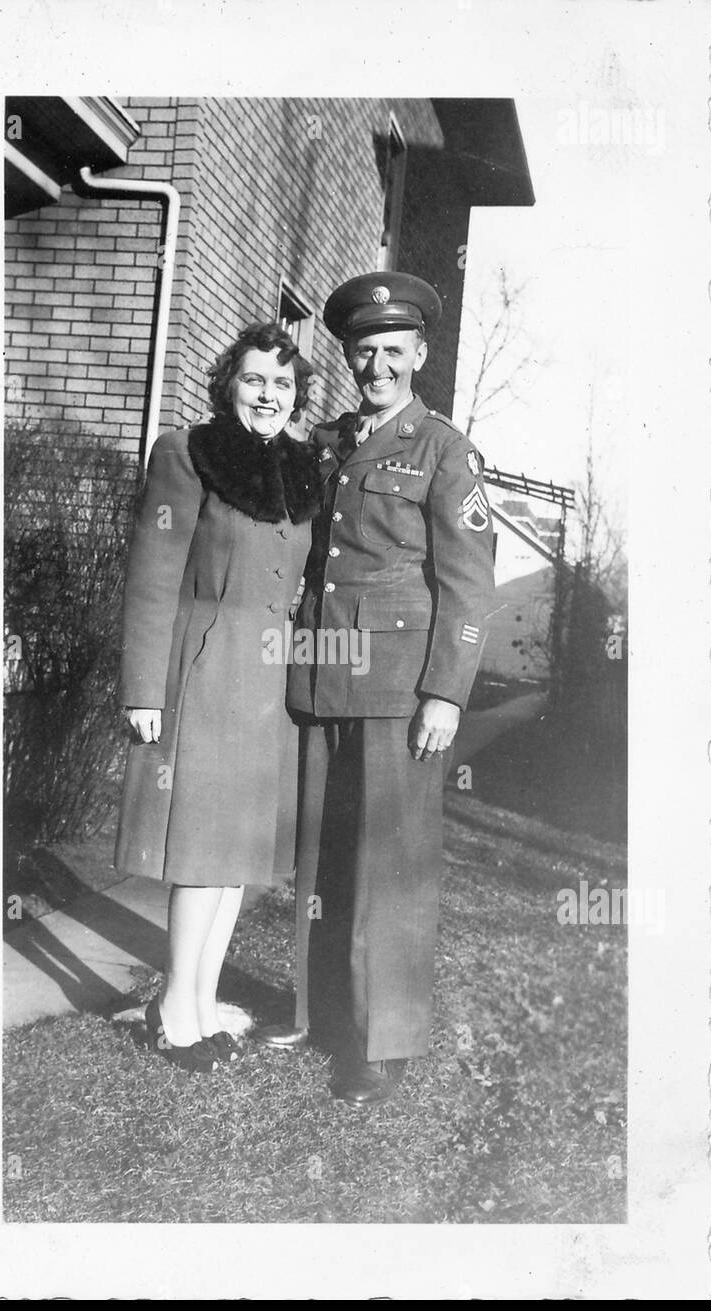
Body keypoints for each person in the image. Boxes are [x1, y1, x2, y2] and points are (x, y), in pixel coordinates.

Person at [257, 272, 496, 1106]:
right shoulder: (328, 443)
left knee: (390, 867)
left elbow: (469, 585)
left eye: (394, 351)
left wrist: (447, 694)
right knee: (323, 861)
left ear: (420, 355)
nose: (378, 366)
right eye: (364, 353)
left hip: (399, 689)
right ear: (350, 359)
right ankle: (322, 1016)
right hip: (323, 678)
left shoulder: (444, 449)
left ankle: (382, 1041)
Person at [114, 322, 323, 1073]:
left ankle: (201, 1002)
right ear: (229, 384)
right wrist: (143, 690)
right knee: (203, 850)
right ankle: (173, 1011)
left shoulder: (302, 471)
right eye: (256, 380)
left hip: (269, 685)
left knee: (236, 856)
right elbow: (152, 575)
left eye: (284, 384)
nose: (270, 395)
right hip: (203, 672)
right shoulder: (187, 453)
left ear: (297, 398)